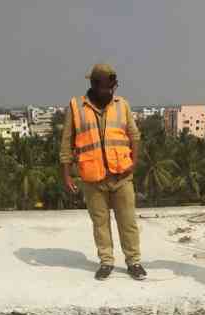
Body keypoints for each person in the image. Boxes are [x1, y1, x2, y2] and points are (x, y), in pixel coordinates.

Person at [60, 63, 147, 281]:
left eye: (113, 87)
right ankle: (106, 261)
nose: (111, 92)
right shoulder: (76, 107)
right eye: (107, 88)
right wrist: (67, 173)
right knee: (100, 223)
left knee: (128, 221)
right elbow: (67, 142)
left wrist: (133, 163)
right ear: (94, 85)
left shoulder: (122, 105)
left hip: (122, 175)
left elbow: (134, 136)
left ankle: (133, 261)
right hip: (92, 177)